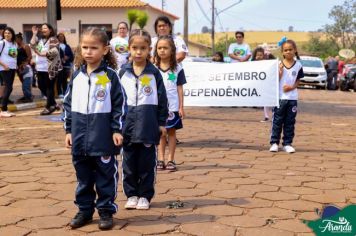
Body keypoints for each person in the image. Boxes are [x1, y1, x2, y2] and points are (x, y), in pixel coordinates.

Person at [63, 27, 126, 230]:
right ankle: (84, 210)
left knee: (105, 176)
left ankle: (106, 211)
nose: (88, 52)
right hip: (79, 139)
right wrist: (68, 131)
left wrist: (117, 129)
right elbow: (67, 105)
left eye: (94, 47)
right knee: (83, 178)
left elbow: (119, 105)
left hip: (103, 138)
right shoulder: (76, 76)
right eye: (85, 47)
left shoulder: (111, 77)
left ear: (105, 49)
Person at [119, 29, 168, 210]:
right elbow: (115, 100)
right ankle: (131, 194)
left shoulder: (154, 74)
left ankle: (145, 196)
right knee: (129, 164)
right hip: (127, 127)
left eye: (143, 48)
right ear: (129, 49)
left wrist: (162, 122)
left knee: (147, 164)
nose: (138, 52)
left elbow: (162, 100)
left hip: (148, 126)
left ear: (149, 50)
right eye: (134, 48)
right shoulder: (122, 73)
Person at [154, 36, 186, 171]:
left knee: (171, 132)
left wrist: (181, 107)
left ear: (172, 50)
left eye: (165, 48)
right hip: (157, 107)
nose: (162, 51)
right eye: (159, 48)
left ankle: (171, 159)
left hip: (172, 107)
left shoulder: (177, 68)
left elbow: (179, 88)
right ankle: (160, 159)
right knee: (161, 133)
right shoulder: (153, 68)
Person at [269, 39, 304, 153]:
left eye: (290, 49)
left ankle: (287, 143)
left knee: (290, 121)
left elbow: (298, 81)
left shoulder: (298, 65)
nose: (288, 52)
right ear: (282, 52)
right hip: (280, 98)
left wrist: (291, 88)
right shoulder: (279, 64)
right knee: (277, 121)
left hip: (292, 98)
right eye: (286, 50)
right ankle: (274, 142)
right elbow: (274, 81)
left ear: (295, 50)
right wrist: (279, 74)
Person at [30, 23, 62, 115]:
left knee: (49, 87)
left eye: (45, 28)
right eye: (42, 28)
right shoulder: (41, 40)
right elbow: (32, 45)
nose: (43, 30)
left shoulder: (53, 39)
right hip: (40, 67)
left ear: (50, 30)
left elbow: (54, 52)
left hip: (51, 68)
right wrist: (34, 34)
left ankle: (49, 107)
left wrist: (40, 54)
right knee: (40, 85)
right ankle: (54, 103)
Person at [251, 47, 276, 122]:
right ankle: (266, 116)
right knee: (265, 101)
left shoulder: (267, 63)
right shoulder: (252, 63)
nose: (258, 56)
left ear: (263, 56)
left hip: (268, 84)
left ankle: (274, 115)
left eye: (260, 55)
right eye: (257, 55)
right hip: (259, 84)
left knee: (271, 100)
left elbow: (274, 61)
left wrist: (270, 54)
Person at [0, 27, 17, 117]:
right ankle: (3, 109)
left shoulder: (13, 44)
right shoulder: (2, 43)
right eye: (5, 33)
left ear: (12, 34)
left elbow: (13, 56)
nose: (7, 34)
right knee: (8, 88)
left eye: (9, 33)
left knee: (9, 88)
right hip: (4, 69)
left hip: (12, 68)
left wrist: (15, 65)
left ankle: (4, 109)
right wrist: (4, 65)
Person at [16, 32, 33, 103]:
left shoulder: (26, 46)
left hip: (25, 68)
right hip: (18, 68)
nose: (15, 41)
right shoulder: (15, 47)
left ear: (20, 39)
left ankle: (29, 97)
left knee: (26, 84)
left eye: (16, 39)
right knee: (23, 83)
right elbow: (13, 57)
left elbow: (30, 56)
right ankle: (26, 96)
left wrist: (24, 64)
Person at [57, 33, 74, 98]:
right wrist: (61, 58)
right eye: (60, 37)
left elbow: (71, 55)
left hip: (66, 65)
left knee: (65, 79)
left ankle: (65, 92)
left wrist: (68, 57)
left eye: (62, 37)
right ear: (57, 38)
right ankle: (59, 92)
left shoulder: (67, 46)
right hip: (58, 65)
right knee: (59, 79)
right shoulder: (55, 45)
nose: (61, 38)